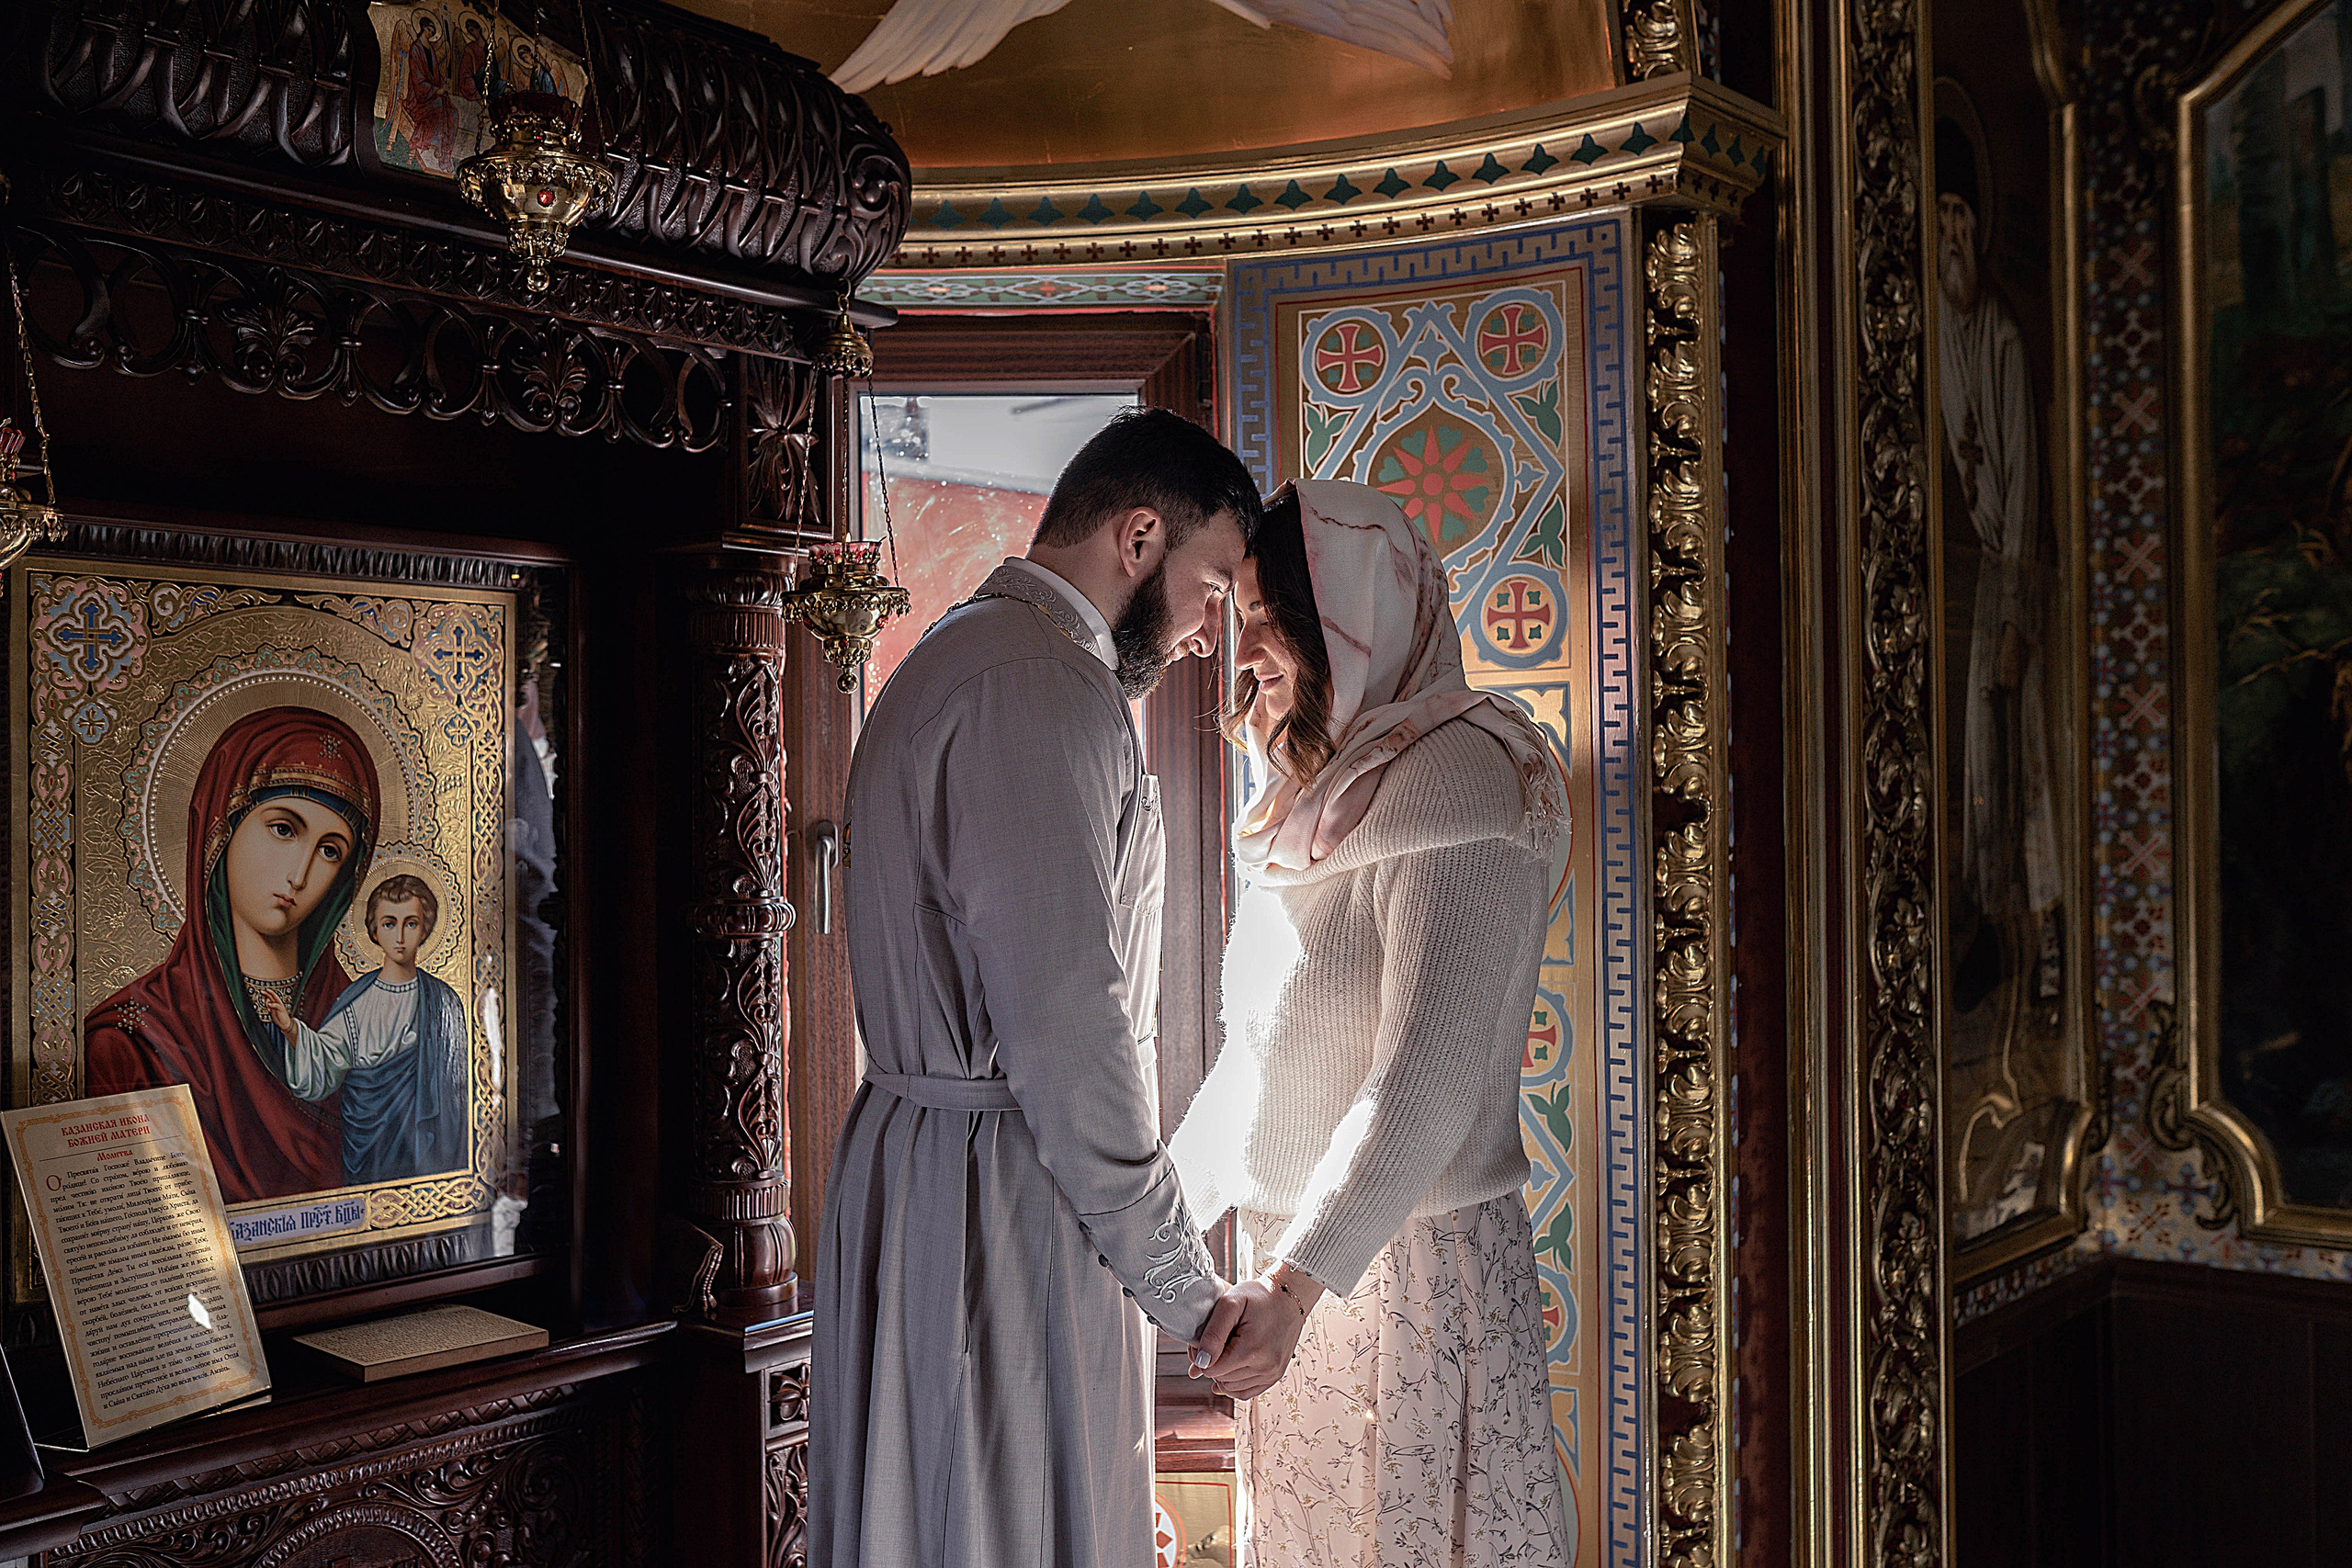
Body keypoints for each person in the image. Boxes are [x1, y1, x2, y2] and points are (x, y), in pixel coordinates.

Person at [810, 409, 1267, 1568]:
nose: (1210, 632)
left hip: (939, 1167)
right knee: (998, 1523)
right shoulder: (1039, 683)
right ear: (1140, 537)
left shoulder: (973, 651)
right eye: (1213, 587)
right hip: (999, 1192)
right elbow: (1070, 1030)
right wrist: (1183, 1286)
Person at [1174, 480, 1571, 1565]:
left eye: (1270, 619)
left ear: (1351, 619)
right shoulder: (1316, 798)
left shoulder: (1463, 780)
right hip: (1292, 1280)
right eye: (1239, 617)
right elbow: (1254, 1072)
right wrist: (1139, 1232)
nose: (1242, 653)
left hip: (1403, 1280)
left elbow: (1422, 1085)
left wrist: (1293, 1286)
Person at [85, 706, 380, 1203]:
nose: (300, 875)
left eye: (331, 851)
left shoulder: (365, 1024)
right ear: (221, 830)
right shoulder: (133, 1041)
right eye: (283, 829)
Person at [1936, 116, 2061, 1011]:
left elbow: (2022, 496)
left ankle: (2049, 946)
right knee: (1981, 768)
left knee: (2030, 765)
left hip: (2017, 583)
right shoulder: (1934, 331)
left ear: (1977, 225)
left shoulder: (2003, 338)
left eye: (1960, 216)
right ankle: (1991, 937)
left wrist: (2016, 619)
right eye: (1937, 216)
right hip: (1978, 581)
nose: (1950, 235)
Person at [258, 874, 469, 1186]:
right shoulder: (358, 1000)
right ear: (374, 930)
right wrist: (290, 1029)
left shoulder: (444, 1001)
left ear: (425, 929)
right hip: (369, 1147)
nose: (400, 936)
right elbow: (326, 1060)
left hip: (425, 1146)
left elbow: (457, 1090)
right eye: (389, 924)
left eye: (410, 923)